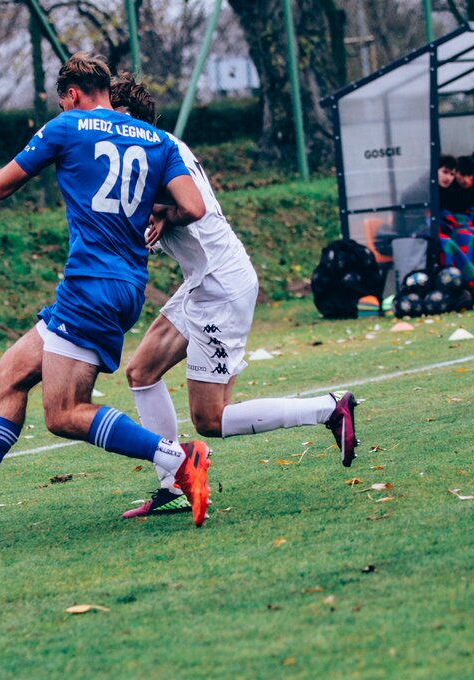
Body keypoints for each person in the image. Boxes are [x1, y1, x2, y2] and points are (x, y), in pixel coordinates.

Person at [0, 53, 214, 528]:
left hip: (90, 287)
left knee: (64, 414)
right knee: (10, 374)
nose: (64, 108)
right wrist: (163, 214)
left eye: (63, 101)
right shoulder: (157, 139)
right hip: (125, 285)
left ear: (73, 95)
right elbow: (193, 206)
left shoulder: (67, 126)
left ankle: (178, 457)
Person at [110, 73, 359, 517]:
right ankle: (174, 482)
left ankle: (328, 409)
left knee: (210, 419)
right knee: (142, 371)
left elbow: (194, 207)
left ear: (129, 118)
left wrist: (164, 212)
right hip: (204, 281)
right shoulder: (149, 149)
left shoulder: (153, 149)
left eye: (110, 117)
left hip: (220, 290)